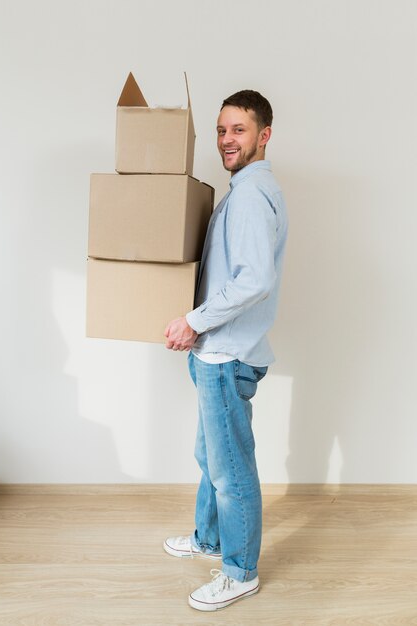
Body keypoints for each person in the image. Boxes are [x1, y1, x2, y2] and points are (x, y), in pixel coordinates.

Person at [163, 88, 288, 611]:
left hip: (225, 353)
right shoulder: (243, 190)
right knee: (211, 455)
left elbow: (254, 280)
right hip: (219, 351)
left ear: (264, 135)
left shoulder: (253, 196)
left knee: (230, 468)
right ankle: (210, 538)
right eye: (221, 129)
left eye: (238, 129)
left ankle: (239, 571)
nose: (227, 139)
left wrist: (193, 321)